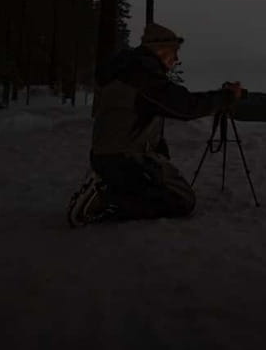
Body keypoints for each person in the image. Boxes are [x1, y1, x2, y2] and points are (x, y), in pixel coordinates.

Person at [67, 23, 243, 227]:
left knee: (169, 188)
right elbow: (185, 107)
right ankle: (106, 198)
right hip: (124, 159)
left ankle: (110, 186)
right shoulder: (143, 76)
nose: (176, 59)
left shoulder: (128, 71)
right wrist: (226, 97)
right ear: (160, 50)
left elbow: (137, 117)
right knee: (182, 201)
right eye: (174, 53)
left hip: (108, 156)